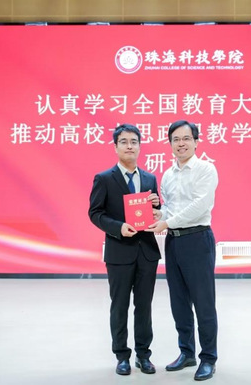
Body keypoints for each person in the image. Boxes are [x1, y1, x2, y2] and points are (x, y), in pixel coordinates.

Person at [147, 120, 219, 381]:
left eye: (186, 138)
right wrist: (159, 214)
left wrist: (167, 222)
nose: (181, 144)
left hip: (197, 239)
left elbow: (200, 206)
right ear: (170, 144)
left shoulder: (206, 169)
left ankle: (208, 358)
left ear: (196, 142)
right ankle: (187, 352)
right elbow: (170, 208)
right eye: (175, 139)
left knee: (203, 302)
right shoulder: (168, 175)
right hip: (173, 242)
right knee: (178, 302)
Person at [88, 124, 161, 376]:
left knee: (144, 306)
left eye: (134, 142)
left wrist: (157, 207)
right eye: (124, 142)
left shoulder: (150, 178)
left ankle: (143, 355)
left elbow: (155, 213)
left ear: (140, 146)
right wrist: (118, 227)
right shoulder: (104, 178)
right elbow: (95, 213)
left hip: (147, 253)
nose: (130, 146)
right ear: (116, 147)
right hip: (119, 252)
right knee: (119, 306)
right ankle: (121, 356)